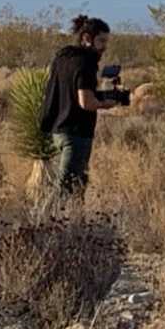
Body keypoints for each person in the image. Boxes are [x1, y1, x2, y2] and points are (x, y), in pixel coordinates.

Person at [38, 15, 120, 198]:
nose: (104, 47)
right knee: (67, 189)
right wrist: (106, 104)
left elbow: (69, 92)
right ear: (87, 39)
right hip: (76, 134)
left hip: (58, 130)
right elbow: (86, 102)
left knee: (73, 185)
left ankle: (71, 223)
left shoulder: (63, 58)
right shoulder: (86, 63)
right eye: (101, 41)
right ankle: (49, 223)